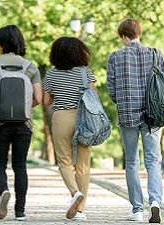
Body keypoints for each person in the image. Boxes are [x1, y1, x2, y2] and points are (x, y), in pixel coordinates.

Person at [107, 18, 164, 223]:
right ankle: (155, 203)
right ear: (139, 33)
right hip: (153, 115)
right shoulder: (155, 54)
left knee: (132, 162)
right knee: (152, 160)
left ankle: (137, 210)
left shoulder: (115, 57)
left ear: (124, 36)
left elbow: (113, 93)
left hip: (127, 115)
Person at [0, 25, 42, 221]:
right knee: (20, 166)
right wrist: (24, 110)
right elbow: (38, 98)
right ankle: (20, 211)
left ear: (0, 45)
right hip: (24, 124)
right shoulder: (30, 67)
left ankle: (4, 191)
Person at [42, 37, 97, 221]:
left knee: (65, 162)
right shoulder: (85, 72)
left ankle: (74, 193)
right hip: (84, 118)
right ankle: (80, 211)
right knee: (83, 165)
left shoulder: (51, 74)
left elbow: (46, 101)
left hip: (62, 117)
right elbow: (93, 95)